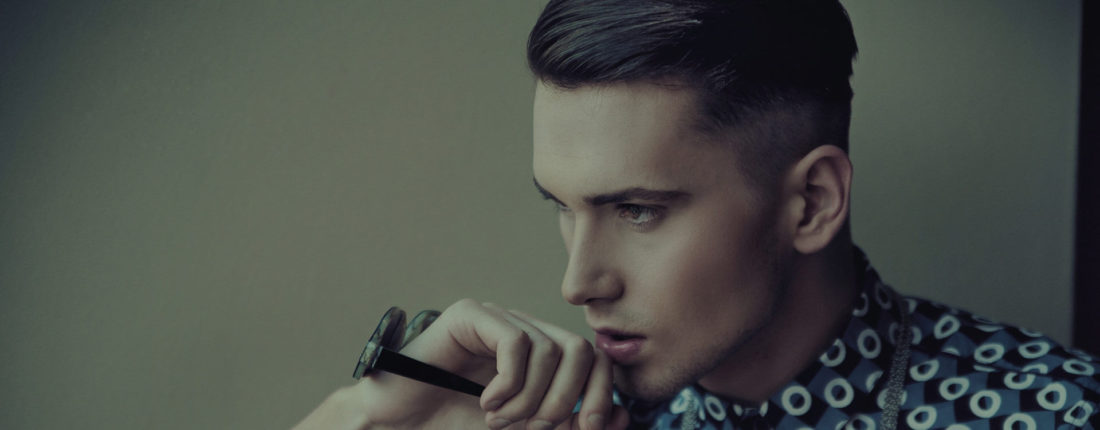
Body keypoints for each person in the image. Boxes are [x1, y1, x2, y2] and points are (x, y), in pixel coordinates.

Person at [294, 0, 1099, 428]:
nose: (577, 283)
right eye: (563, 208)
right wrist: (374, 419)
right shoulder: (555, 423)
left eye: (637, 211)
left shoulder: (1054, 416)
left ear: (812, 202)